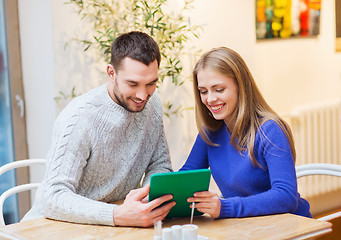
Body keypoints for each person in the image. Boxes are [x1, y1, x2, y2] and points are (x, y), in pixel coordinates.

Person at [22, 31, 175, 227]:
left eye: (151, 83)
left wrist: (146, 196)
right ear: (111, 73)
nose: (142, 95)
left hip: (111, 227)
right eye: (132, 83)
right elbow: (52, 198)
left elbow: (160, 165)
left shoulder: (152, 105)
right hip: (53, 228)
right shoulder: (79, 117)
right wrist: (116, 214)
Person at [181, 47, 311, 219]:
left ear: (240, 86)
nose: (210, 99)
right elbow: (185, 179)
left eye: (219, 89)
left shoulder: (270, 130)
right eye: (203, 91)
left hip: (287, 227)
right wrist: (155, 192)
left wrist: (224, 207)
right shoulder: (210, 132)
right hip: (245, 226)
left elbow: (286, 197)